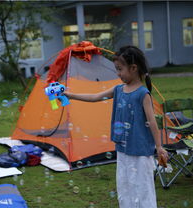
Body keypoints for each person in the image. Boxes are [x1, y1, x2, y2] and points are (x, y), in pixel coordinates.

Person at [63, 45, 168, 208]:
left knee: (143, 188)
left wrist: (159, 147)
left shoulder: (143, 94)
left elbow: (152, 122)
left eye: (120, 69)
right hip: (123, 149)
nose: (118, 74)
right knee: (125, 186)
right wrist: (71, 95)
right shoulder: (118, 89)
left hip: (140, 151)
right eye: (116, 69)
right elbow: (94, 97)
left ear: (133, 68)